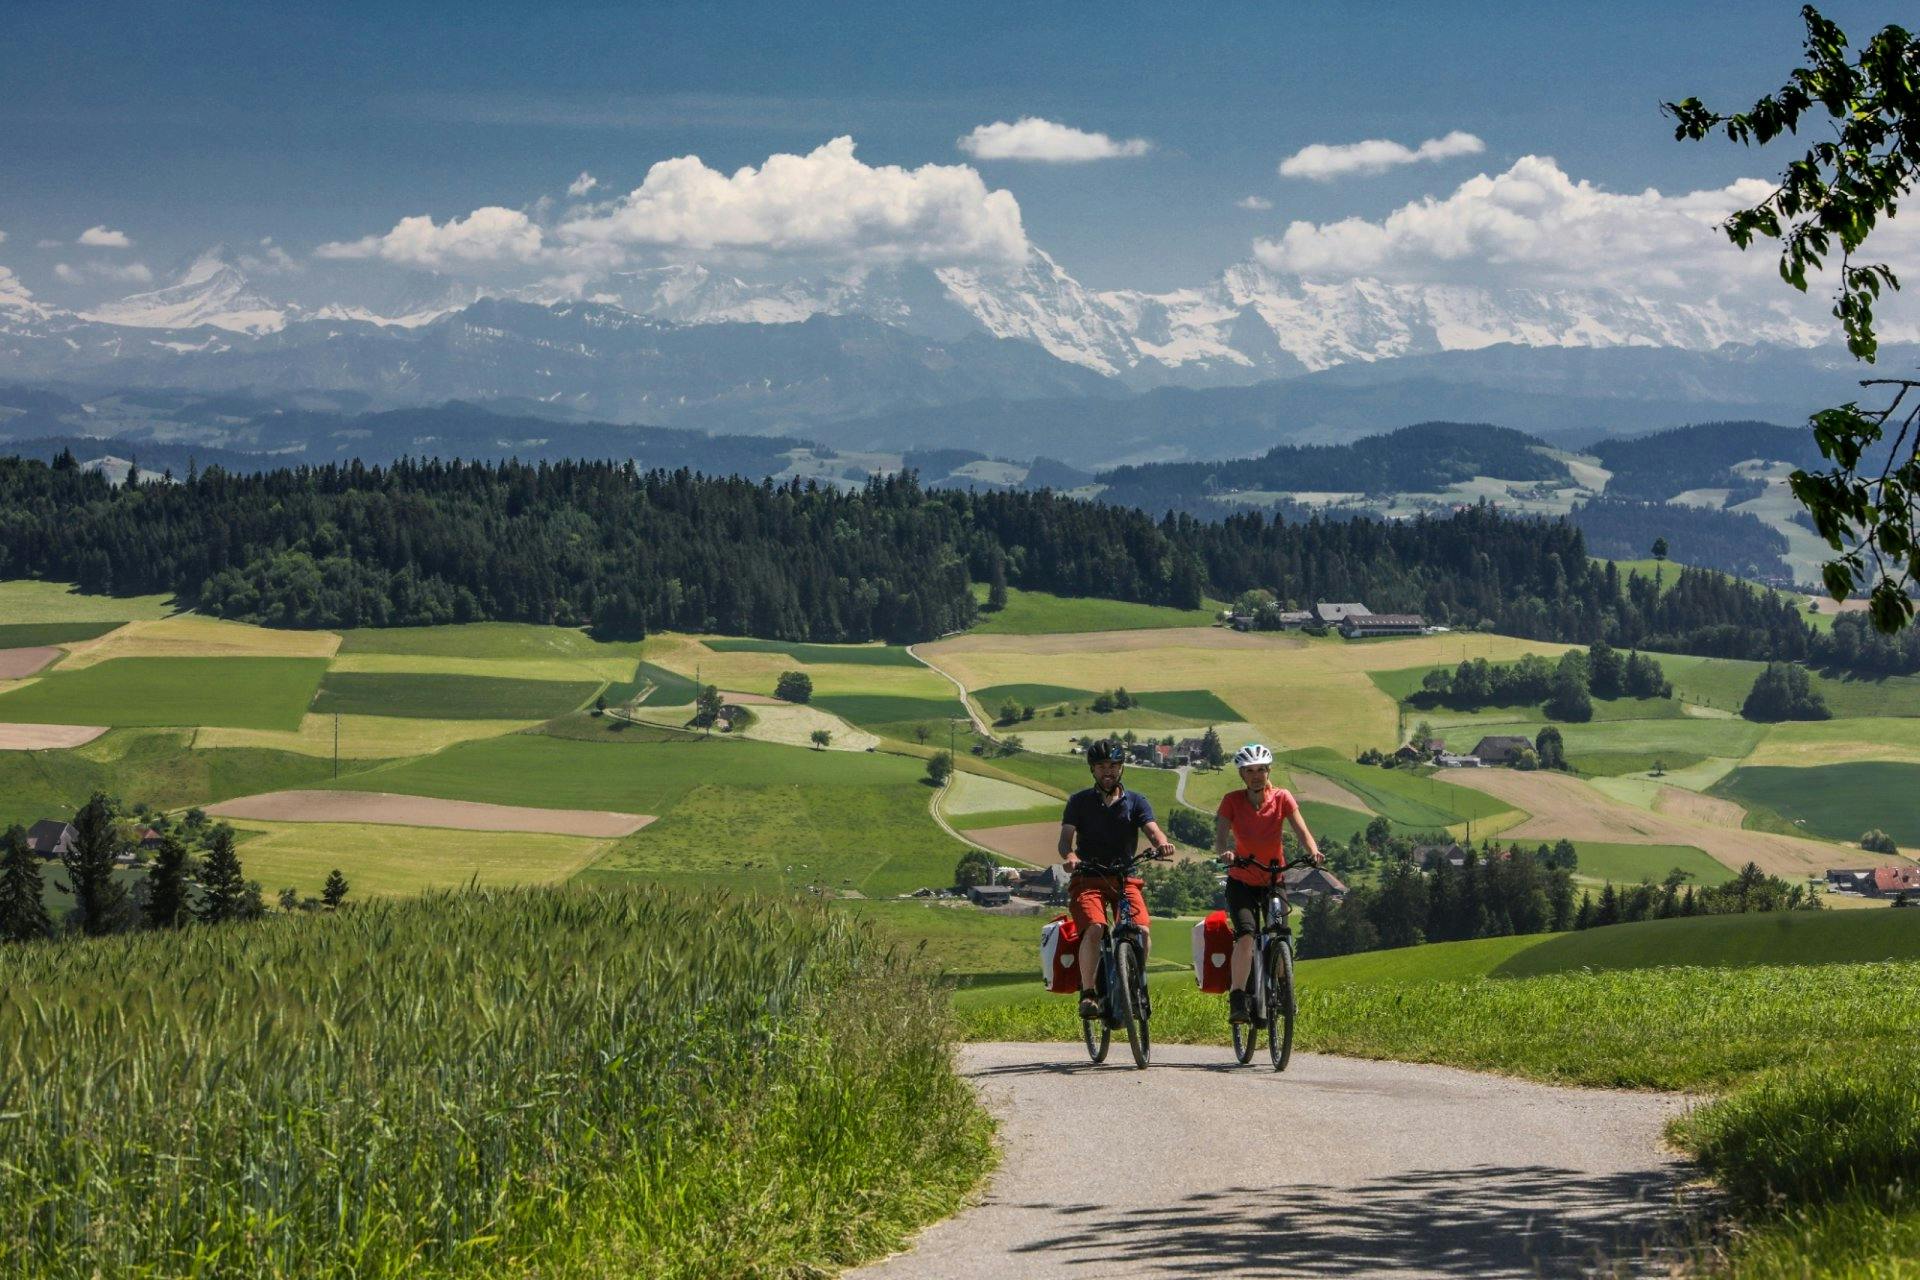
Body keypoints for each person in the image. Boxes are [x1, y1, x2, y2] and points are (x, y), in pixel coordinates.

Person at [1059, 738, 1175, 1019]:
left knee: (1142, 932)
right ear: (1092, 769)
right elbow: (1065, 840)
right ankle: (1088, 994)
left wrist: (1161, 843)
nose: (1107, 771)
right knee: (1096, 928)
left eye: (1113, 765)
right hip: (1088, 879)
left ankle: (1133, 983)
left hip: (1125, 878)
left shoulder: (1135, 801)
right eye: (1101, 766)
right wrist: (1070, 857)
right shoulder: (1079, 802)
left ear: (1121, 768)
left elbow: (1152, 830)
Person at [1214, 742, 1324, 1024]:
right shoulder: (1231, 800)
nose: (1256, 775)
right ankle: (1238, 998)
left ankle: (1284, 992)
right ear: (1242, 774)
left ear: (1268, 771)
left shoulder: (1282, 797)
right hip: (1241, 883)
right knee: (1247, 935)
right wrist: (1224, 852)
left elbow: (1302, 831)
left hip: (1274, 880)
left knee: (1280, 933)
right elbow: (1221, 837)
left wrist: (1313, 852)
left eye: (1261, 770)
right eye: (1250, 770)